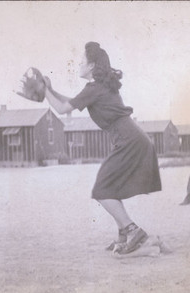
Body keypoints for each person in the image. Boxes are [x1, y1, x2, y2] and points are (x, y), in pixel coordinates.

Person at [42, 42, 162, 254]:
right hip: (132, 138)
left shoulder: (94, 88)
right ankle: (124, 236)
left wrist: (44, 91)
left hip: (128, 140)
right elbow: (72, 102)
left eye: (81, 61)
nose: (78, 64)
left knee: (102, 189)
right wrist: (49, 90)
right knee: (111, 186)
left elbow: (61, 109)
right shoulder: (98, 87)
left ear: (91, 65)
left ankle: (133, 232)